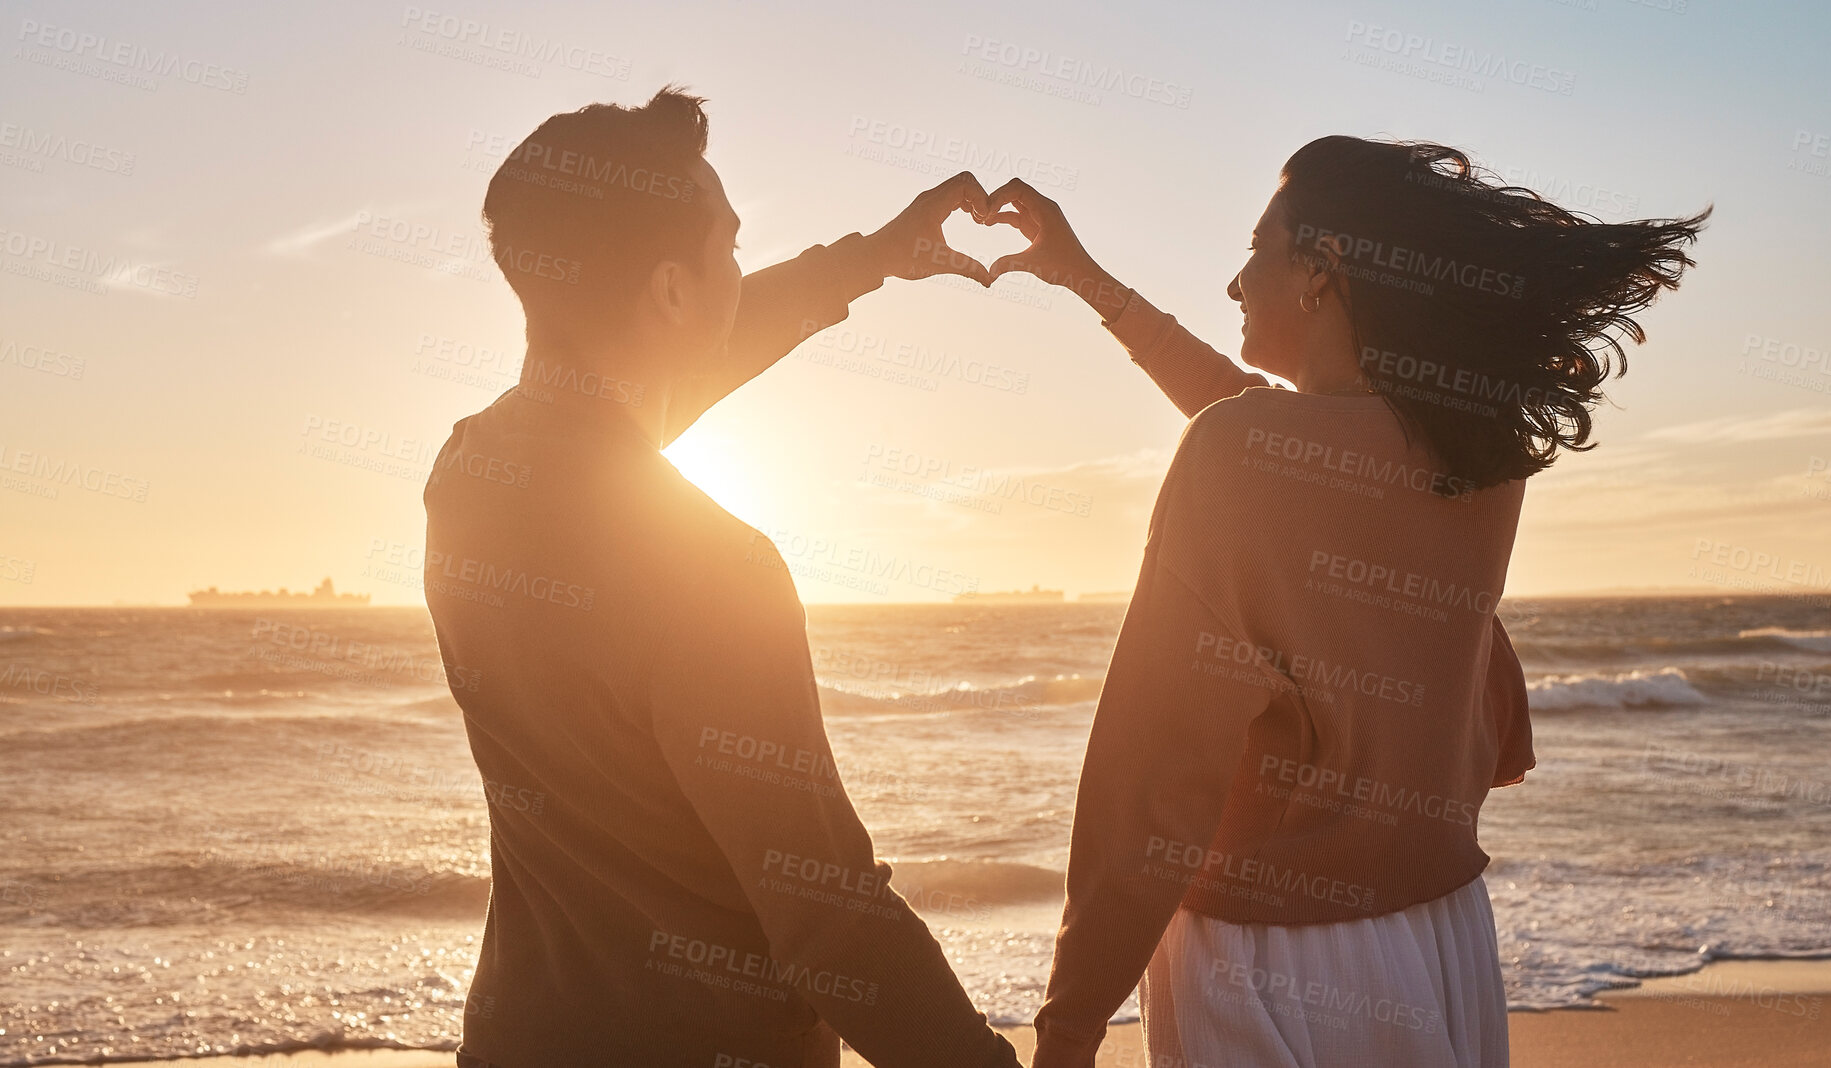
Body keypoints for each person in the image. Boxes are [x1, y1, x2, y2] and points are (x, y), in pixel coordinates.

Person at [981, 139, 1708, 1067]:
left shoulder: (1238, 457)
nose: (1238, 282)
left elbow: (1153, 779)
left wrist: (1072, 1021)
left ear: (1320, 272)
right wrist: (1089, 282)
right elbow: (1274, 433)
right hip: (1442, 935)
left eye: (1257, 249)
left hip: (1270, 959)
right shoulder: (1469, 447)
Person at [422, 88, 1021, 1068]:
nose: (740, 271)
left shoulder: (468, 476)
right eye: (729, 249)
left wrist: (869, 259)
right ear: (669, 292)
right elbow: (833, 927)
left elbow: (636, 392)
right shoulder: (710, 570)